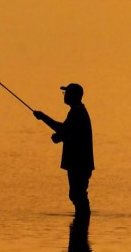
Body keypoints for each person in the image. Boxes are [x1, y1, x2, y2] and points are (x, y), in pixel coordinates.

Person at [33, 83, 94, 216]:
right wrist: (59, 137)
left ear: (73, 96)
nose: (64, 95)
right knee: (76, 194)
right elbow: (69, 132)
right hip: (79, 163)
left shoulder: (77, 112)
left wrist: (43, 117)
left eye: (66, 93)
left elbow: (63, 130)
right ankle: (82, 226)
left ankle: (83, 221)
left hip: (79, 163)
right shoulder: (77, 111)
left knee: (77, 194)